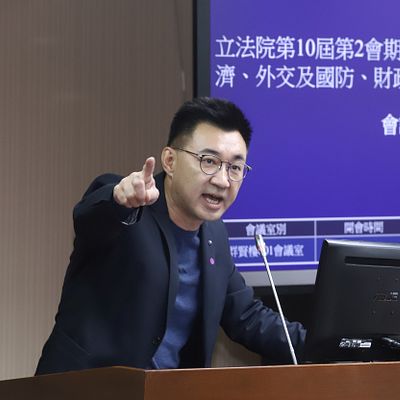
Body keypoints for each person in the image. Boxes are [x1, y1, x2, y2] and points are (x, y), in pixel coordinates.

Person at [36, 97, 305, 374]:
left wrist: (325, 345)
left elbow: (246, 316)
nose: (223, 180)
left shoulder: (214, 235)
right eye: (209, 161)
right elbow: (89, 219)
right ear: (170, 161)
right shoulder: (130, 207)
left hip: (166, 390)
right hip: (83, 386)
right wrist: (118, 201)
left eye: (234, 167)